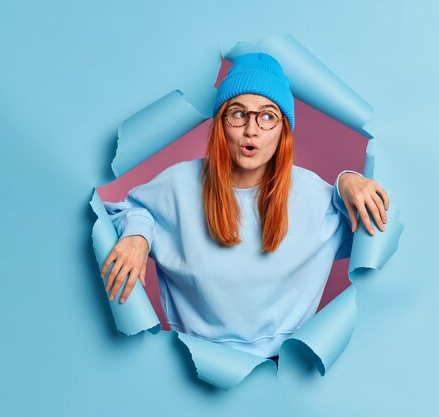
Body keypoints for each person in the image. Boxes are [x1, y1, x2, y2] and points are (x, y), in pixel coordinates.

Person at [100, 53, 389, 360]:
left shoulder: (312, 195)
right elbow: (123, 211)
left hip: (285, 371)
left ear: (283, 130)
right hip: (193, 363)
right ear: (221, 123)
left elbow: (377, 227)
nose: (251, 130)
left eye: (267, 116)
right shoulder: (180, 184)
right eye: (238, 114)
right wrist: (138, 234)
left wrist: (349, 180)